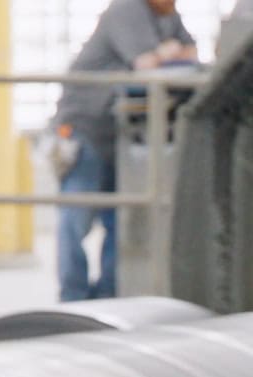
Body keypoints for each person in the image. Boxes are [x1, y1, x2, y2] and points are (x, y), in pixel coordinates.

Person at [51, 0, 196, 301]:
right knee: (76, 216)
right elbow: (145, 63)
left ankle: (108, 294)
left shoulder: (167, 15)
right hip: (86, 126)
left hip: (121, 133)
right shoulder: (127, 9)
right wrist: (166, 53)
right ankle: (73, 296)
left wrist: (165, 54)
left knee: (120, 218)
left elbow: (192, 55)